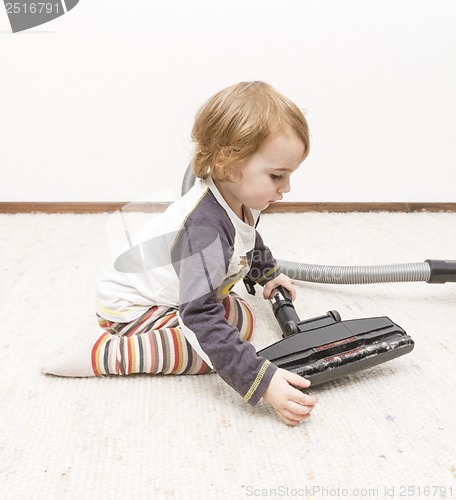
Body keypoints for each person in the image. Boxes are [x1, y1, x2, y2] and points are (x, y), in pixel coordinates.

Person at [43, 81, 318, 426]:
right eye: (277, 175)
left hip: (177, 295)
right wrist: (260, 380)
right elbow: (199, 316)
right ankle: (106, 355)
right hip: (131, 307)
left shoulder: (241, 198)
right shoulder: (204, 230)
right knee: (208, 346)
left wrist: (267, 272)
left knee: (241, 319)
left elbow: (248, 238)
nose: (287, 188)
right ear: (228, 164)